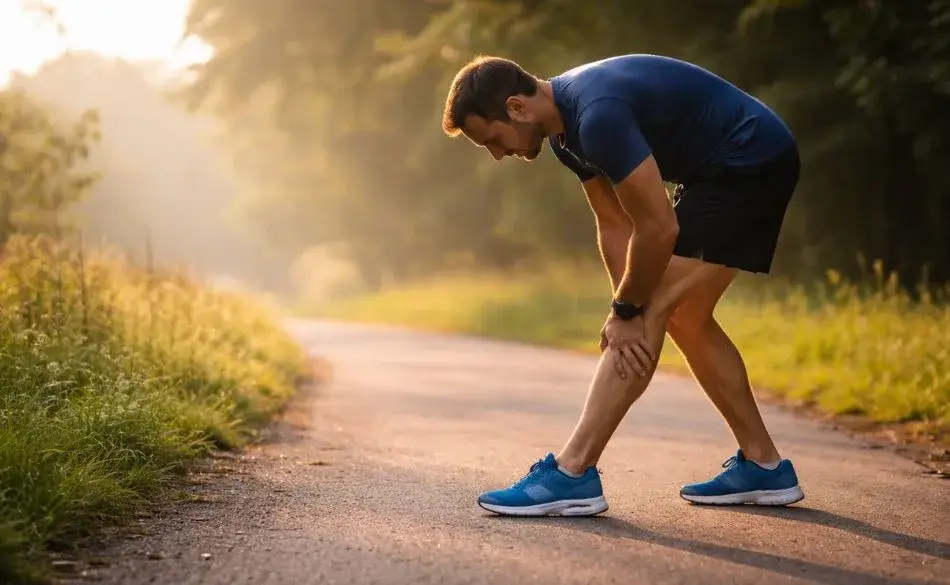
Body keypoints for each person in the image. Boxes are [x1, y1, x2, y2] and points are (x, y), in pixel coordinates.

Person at [440, 53, 806, 516]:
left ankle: (572, 473)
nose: (498, 153)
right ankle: (764, 467)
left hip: (749, 162)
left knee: (654, 309)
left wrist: (633, 311)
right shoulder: (565, 139)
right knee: (680, 315)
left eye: (491, 139)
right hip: (724, 170)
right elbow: (615, 225)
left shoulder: (596, 117)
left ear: (516, 107)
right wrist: (623, 307)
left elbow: (658, 229)